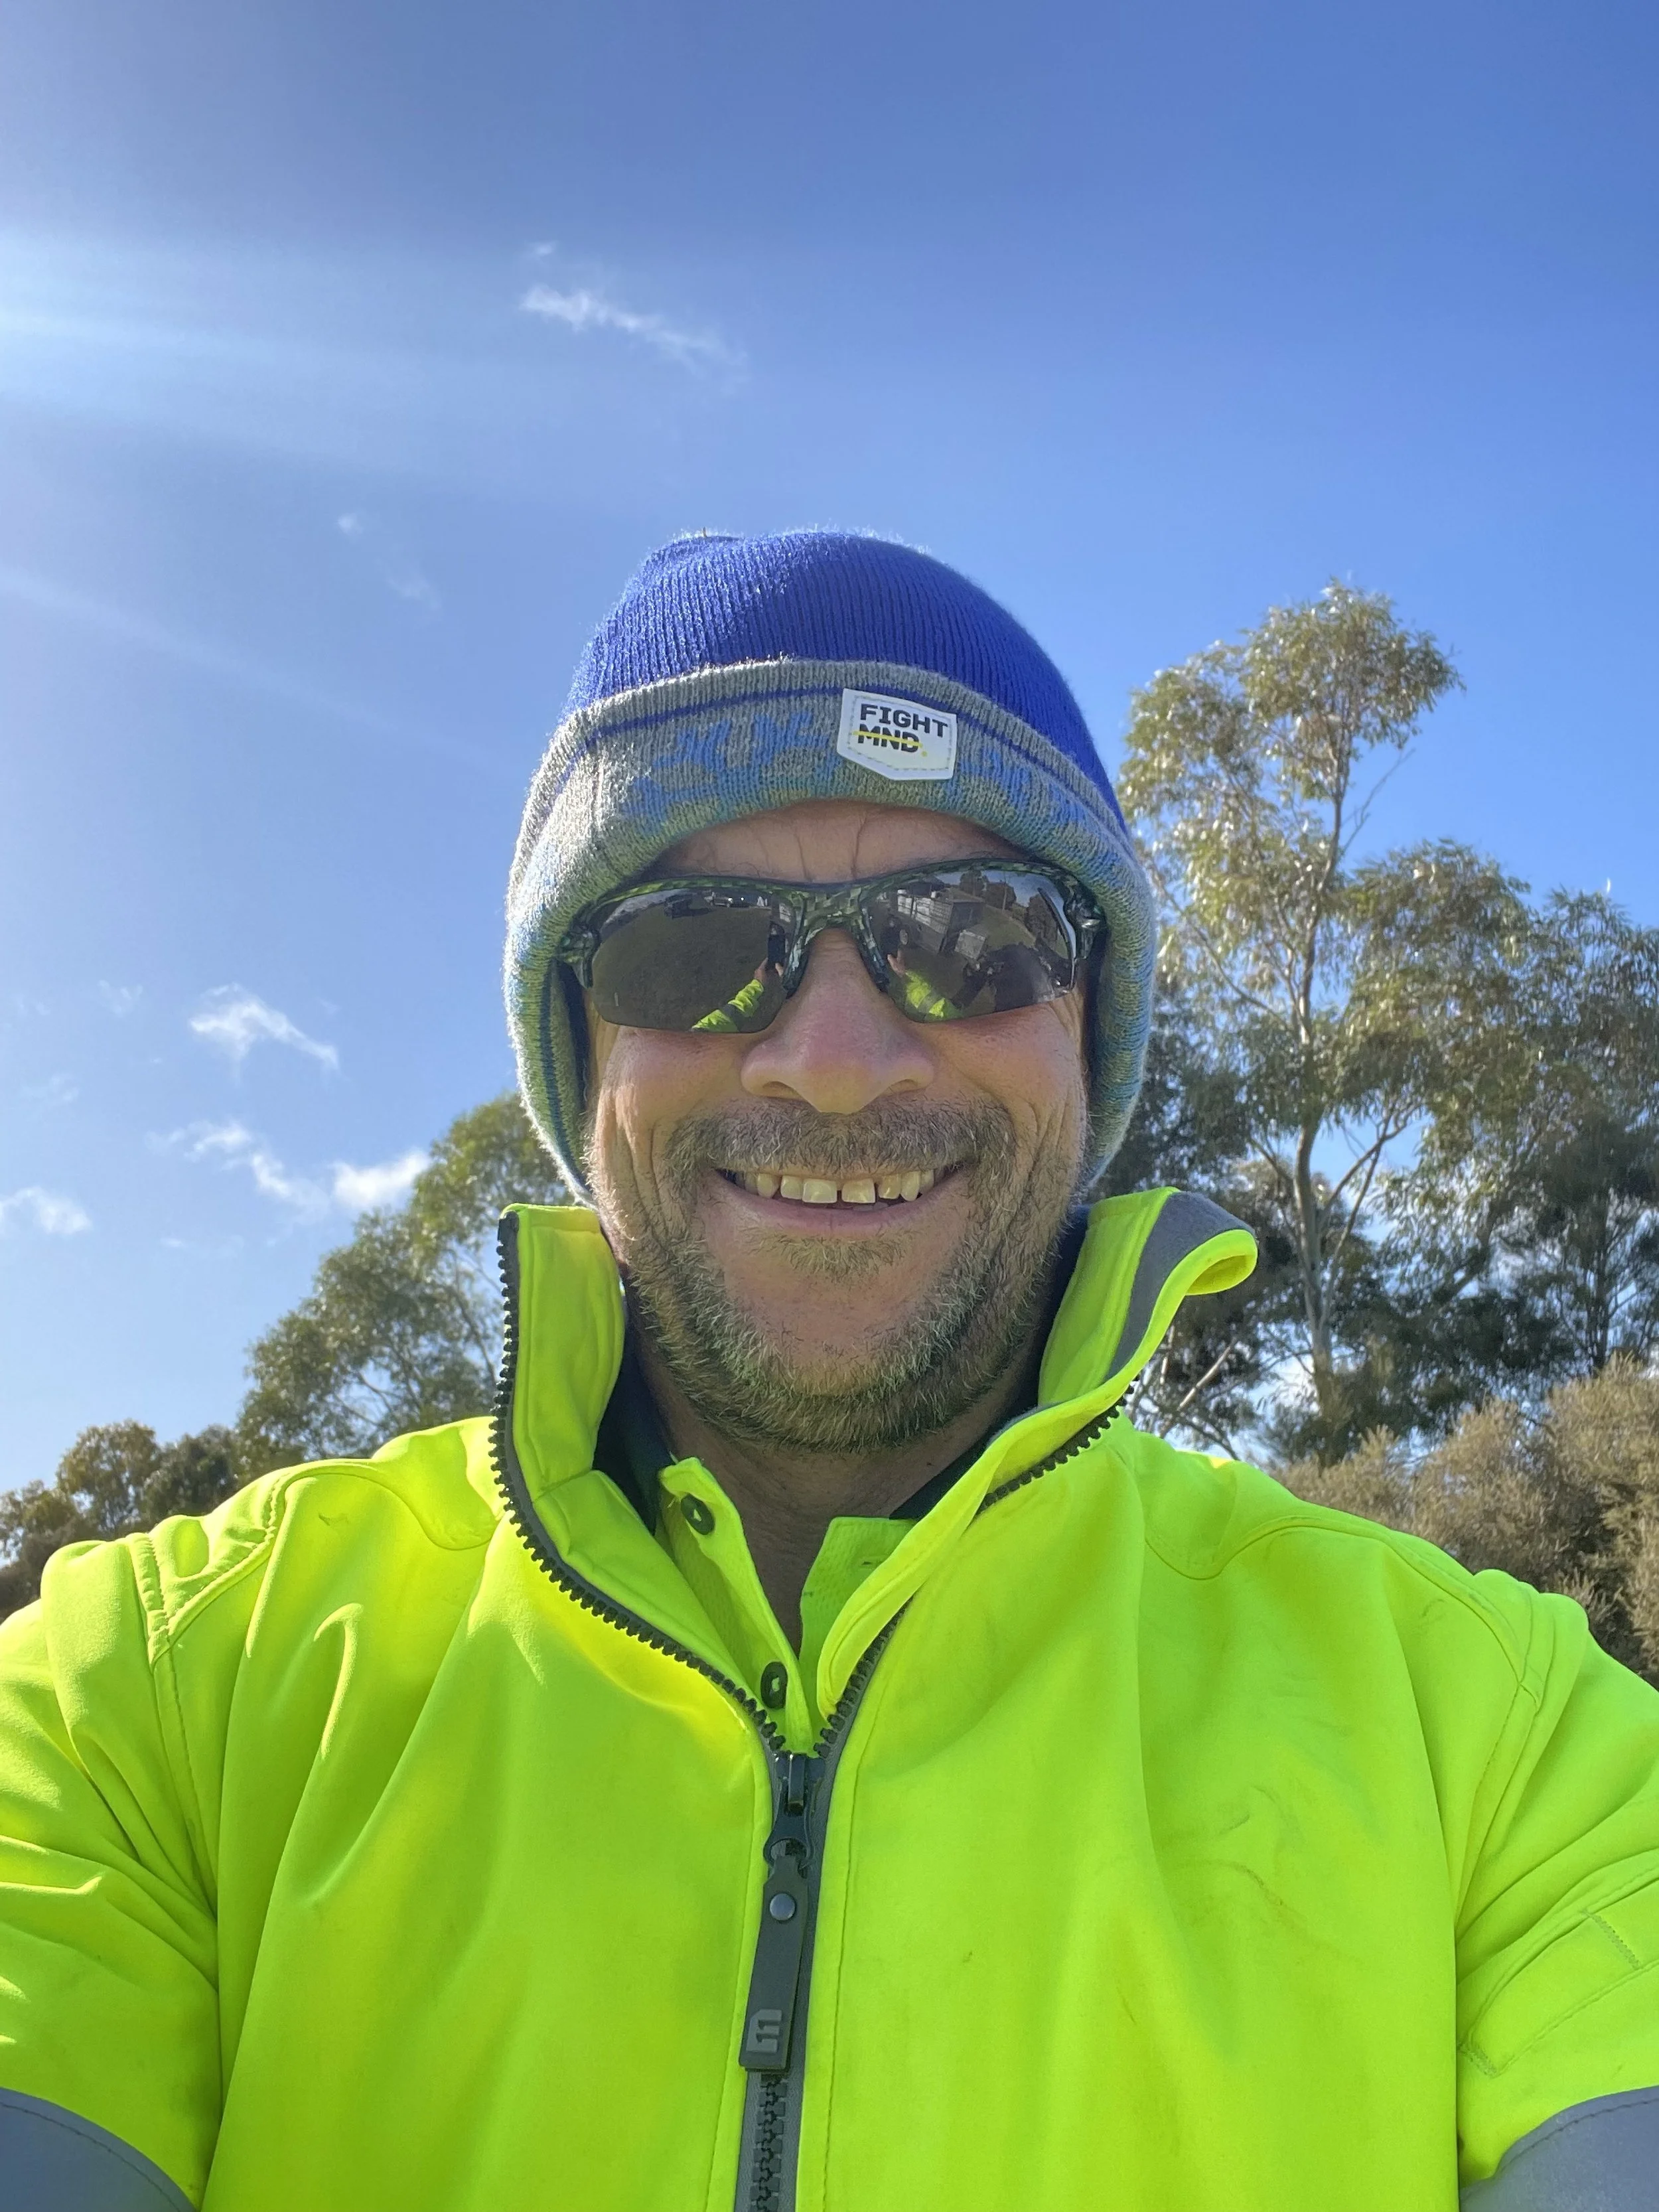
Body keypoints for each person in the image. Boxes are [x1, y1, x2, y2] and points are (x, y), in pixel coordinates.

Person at [1, 532, 1656, 2212]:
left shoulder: (1501, 1744)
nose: (836, 1061)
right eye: (693, 945)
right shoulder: (143, 1704)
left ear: (1085, 1031)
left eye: (975, 933)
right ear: (581, 1055)